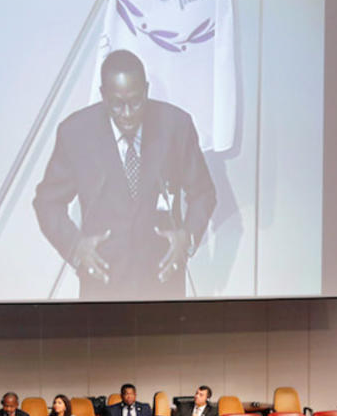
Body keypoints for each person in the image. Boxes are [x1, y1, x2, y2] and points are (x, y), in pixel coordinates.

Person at [33, 49, 216, 300]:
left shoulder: (176, 126)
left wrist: (187, 237)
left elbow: (204, 193)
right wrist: (75, 247)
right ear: (103, 96)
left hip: (163, 285)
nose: (128, 113)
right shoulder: (75, 133)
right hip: (102, 288)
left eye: (136, 101)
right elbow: (47, 202)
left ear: (147, 90)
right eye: (117, 104)